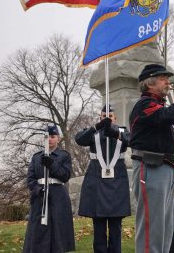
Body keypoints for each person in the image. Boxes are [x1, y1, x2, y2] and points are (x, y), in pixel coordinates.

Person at [129, 64, 174, 253]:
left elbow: (166, 119)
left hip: (163, 170)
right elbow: (167, 116)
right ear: (150, 83)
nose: (168, 82)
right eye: (163, 78)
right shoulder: (144, 104)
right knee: (153, 230)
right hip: (150, 169)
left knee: (165, 230)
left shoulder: (156, 106)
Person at [75, 105, 131, 253]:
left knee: (115, 228)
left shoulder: (122, 131)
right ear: (100, 117)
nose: (107, 118)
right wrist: (96, 127)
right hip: (97, 183)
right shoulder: (93, 133)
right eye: (104, 116)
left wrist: (114, 132)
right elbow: (79, 139)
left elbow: (132, 140)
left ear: (115, 118)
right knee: (98, 227)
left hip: (117, 183)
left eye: (110, 116)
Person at [23, 124, 75, 253]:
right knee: (39, 231)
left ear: (58, 138)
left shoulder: (64, 156)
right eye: (47, 137)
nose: (50, 140)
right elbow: (30, 179)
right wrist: (37, 190)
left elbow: (65, 176)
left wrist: (52, 164)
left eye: (53, 137)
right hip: (40, 197)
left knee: (58, 230)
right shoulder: (36, 157)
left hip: (58, 197)